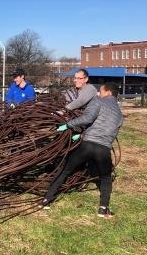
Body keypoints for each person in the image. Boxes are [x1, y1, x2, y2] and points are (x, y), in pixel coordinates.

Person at [41, 82, 123, 218]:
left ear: (108, 93)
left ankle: (46, 200)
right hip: (104, 149)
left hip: (87, 145)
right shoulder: (119, 114)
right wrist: (84, 134)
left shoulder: (99, 101)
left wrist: (67, 125)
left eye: (101, 91)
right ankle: (104, 209)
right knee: (106, 178)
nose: (99, 94)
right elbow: (111, 131)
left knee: (65, 170)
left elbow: (88, 118)